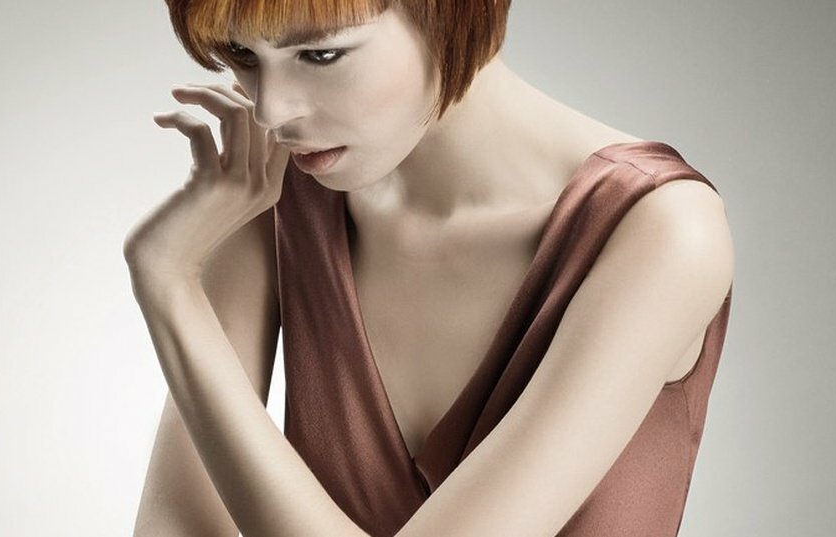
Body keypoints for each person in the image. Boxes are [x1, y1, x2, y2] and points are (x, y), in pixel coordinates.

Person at [126, 1, 734, 536]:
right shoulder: (277, 198)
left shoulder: (661, 229)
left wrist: (171, 288)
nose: (269, 111)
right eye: (241, 55)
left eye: (321, 53)